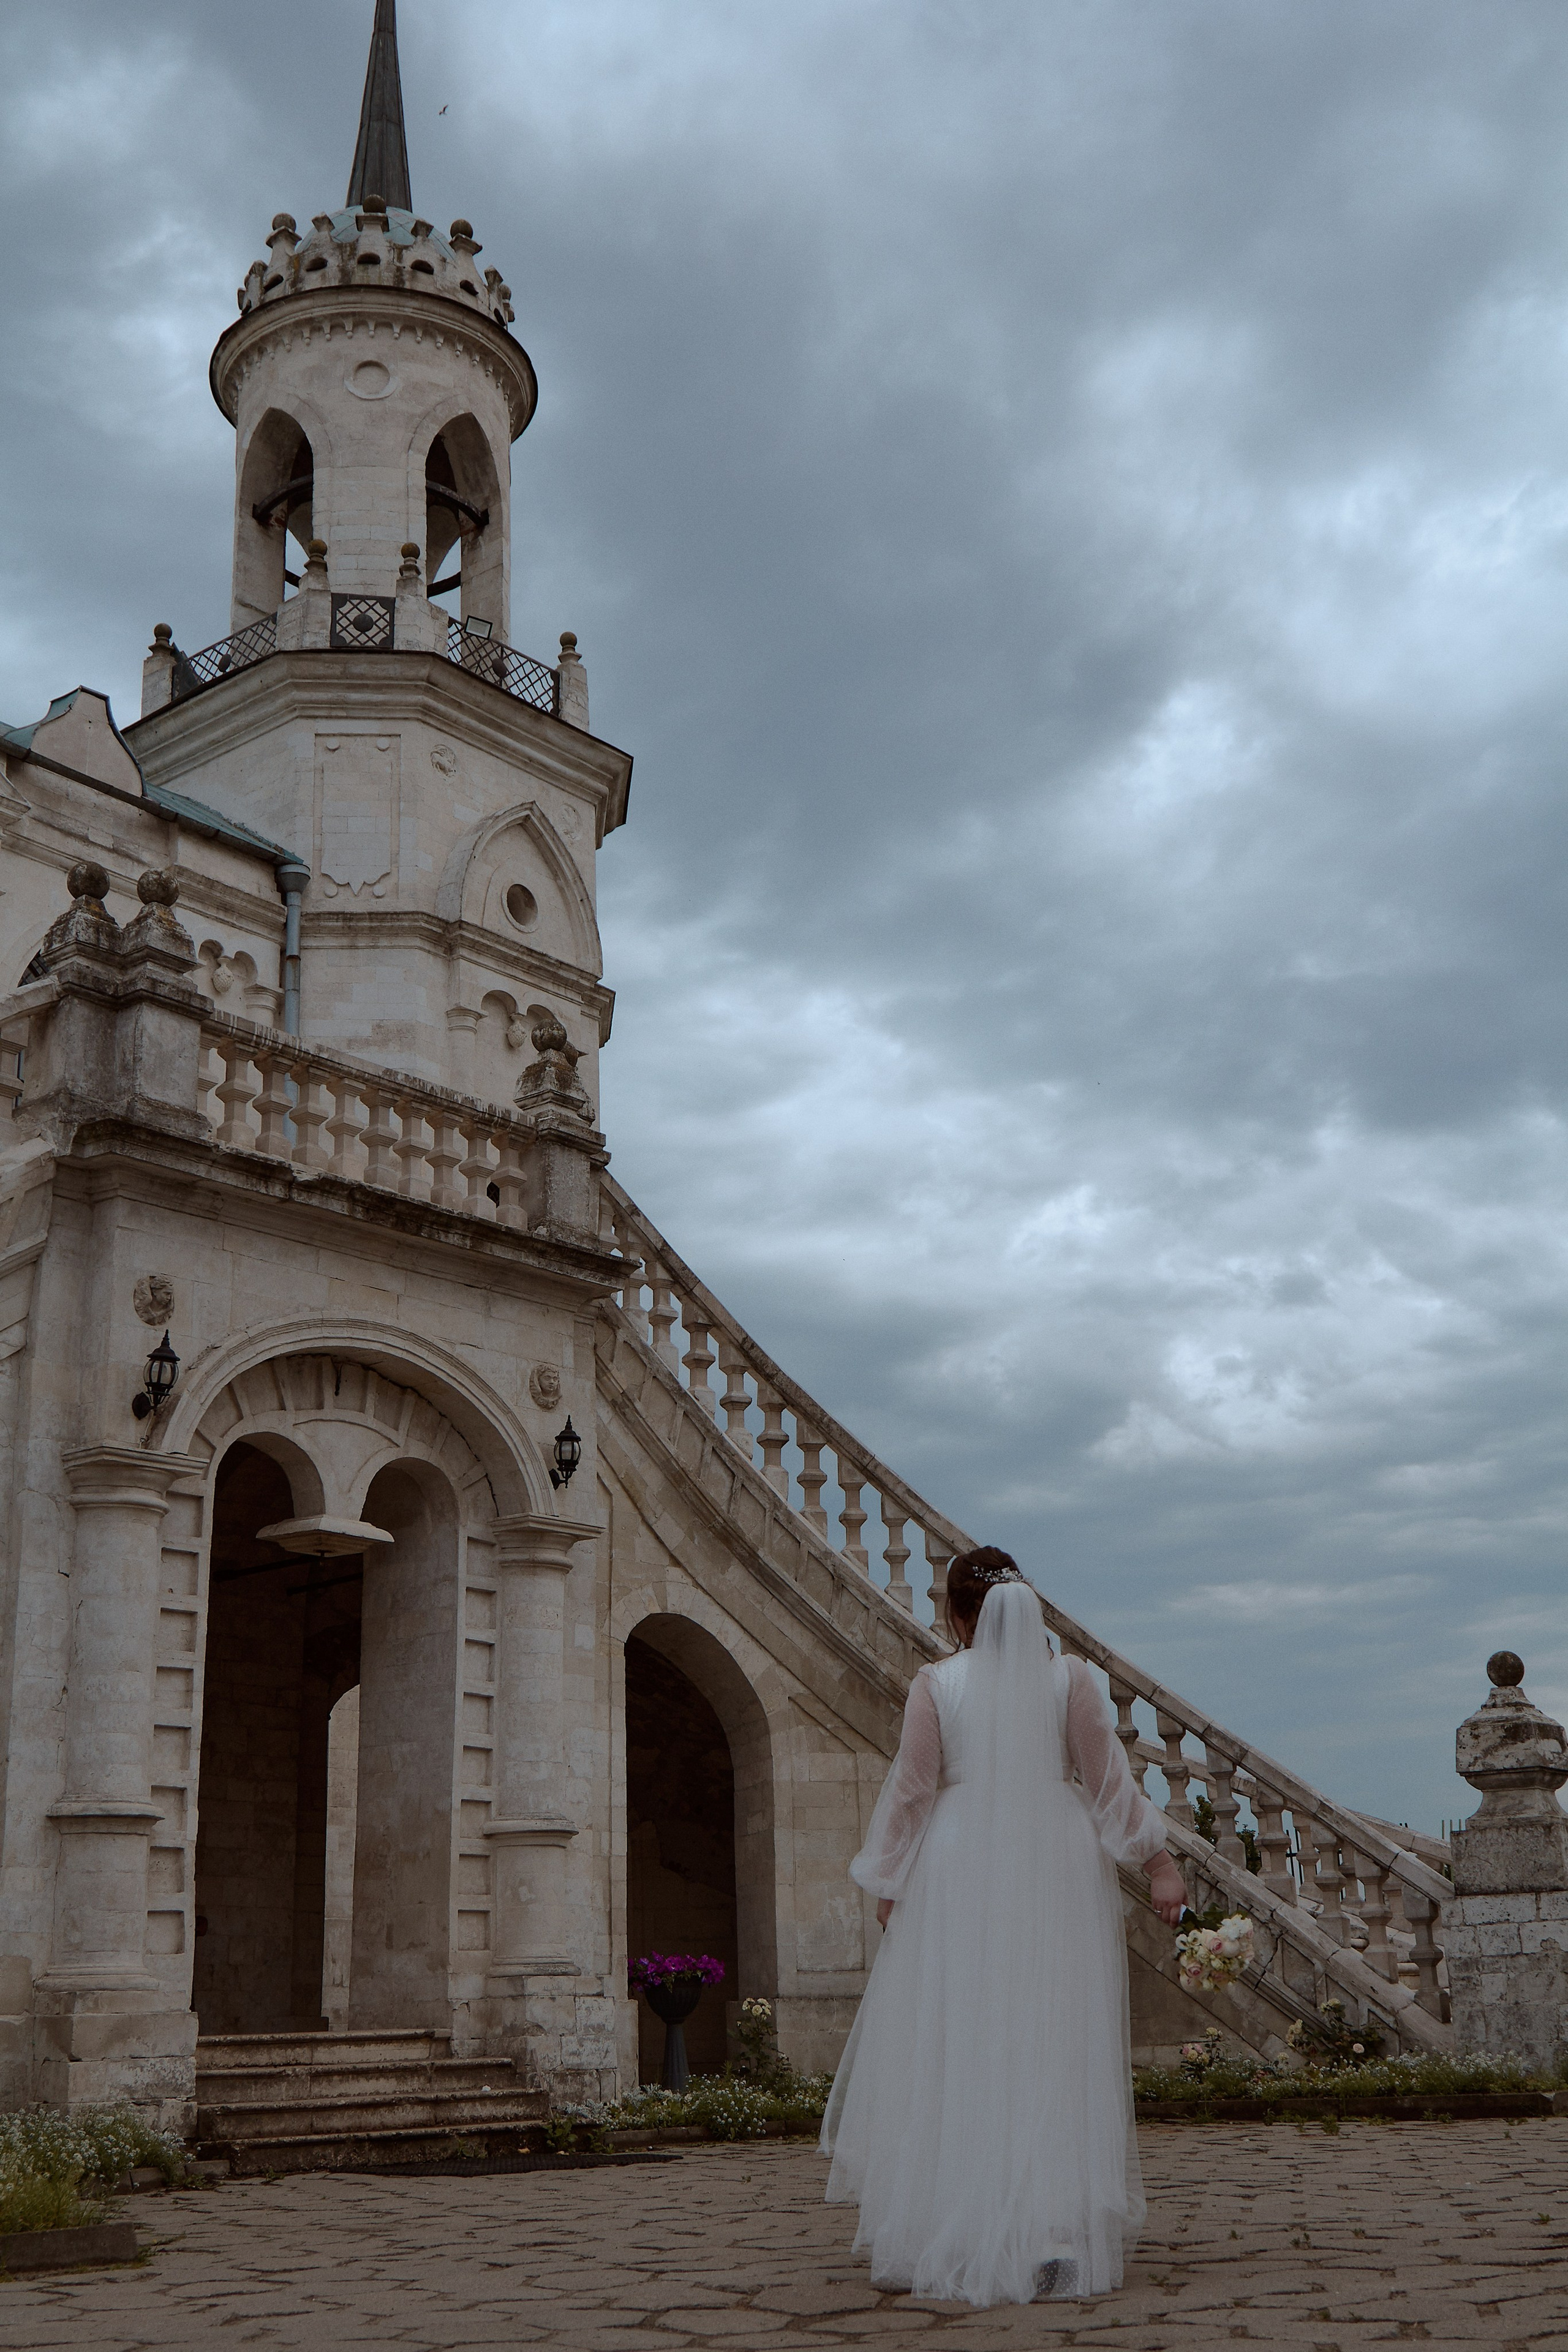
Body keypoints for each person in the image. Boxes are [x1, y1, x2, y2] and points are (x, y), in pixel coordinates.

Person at [820, 1545, 1188, 2308]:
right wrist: (1158, 1865)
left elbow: (914, 1789)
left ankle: (942, 2226)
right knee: (1052, 2036)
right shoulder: (1070, 1681)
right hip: (1053, 1859)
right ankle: (1053, 2234)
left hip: (957, 1865)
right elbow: (1106, 1781)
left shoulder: (937, 1683)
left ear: (955, 1615)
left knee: (959, 2038)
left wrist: (889, 1880)